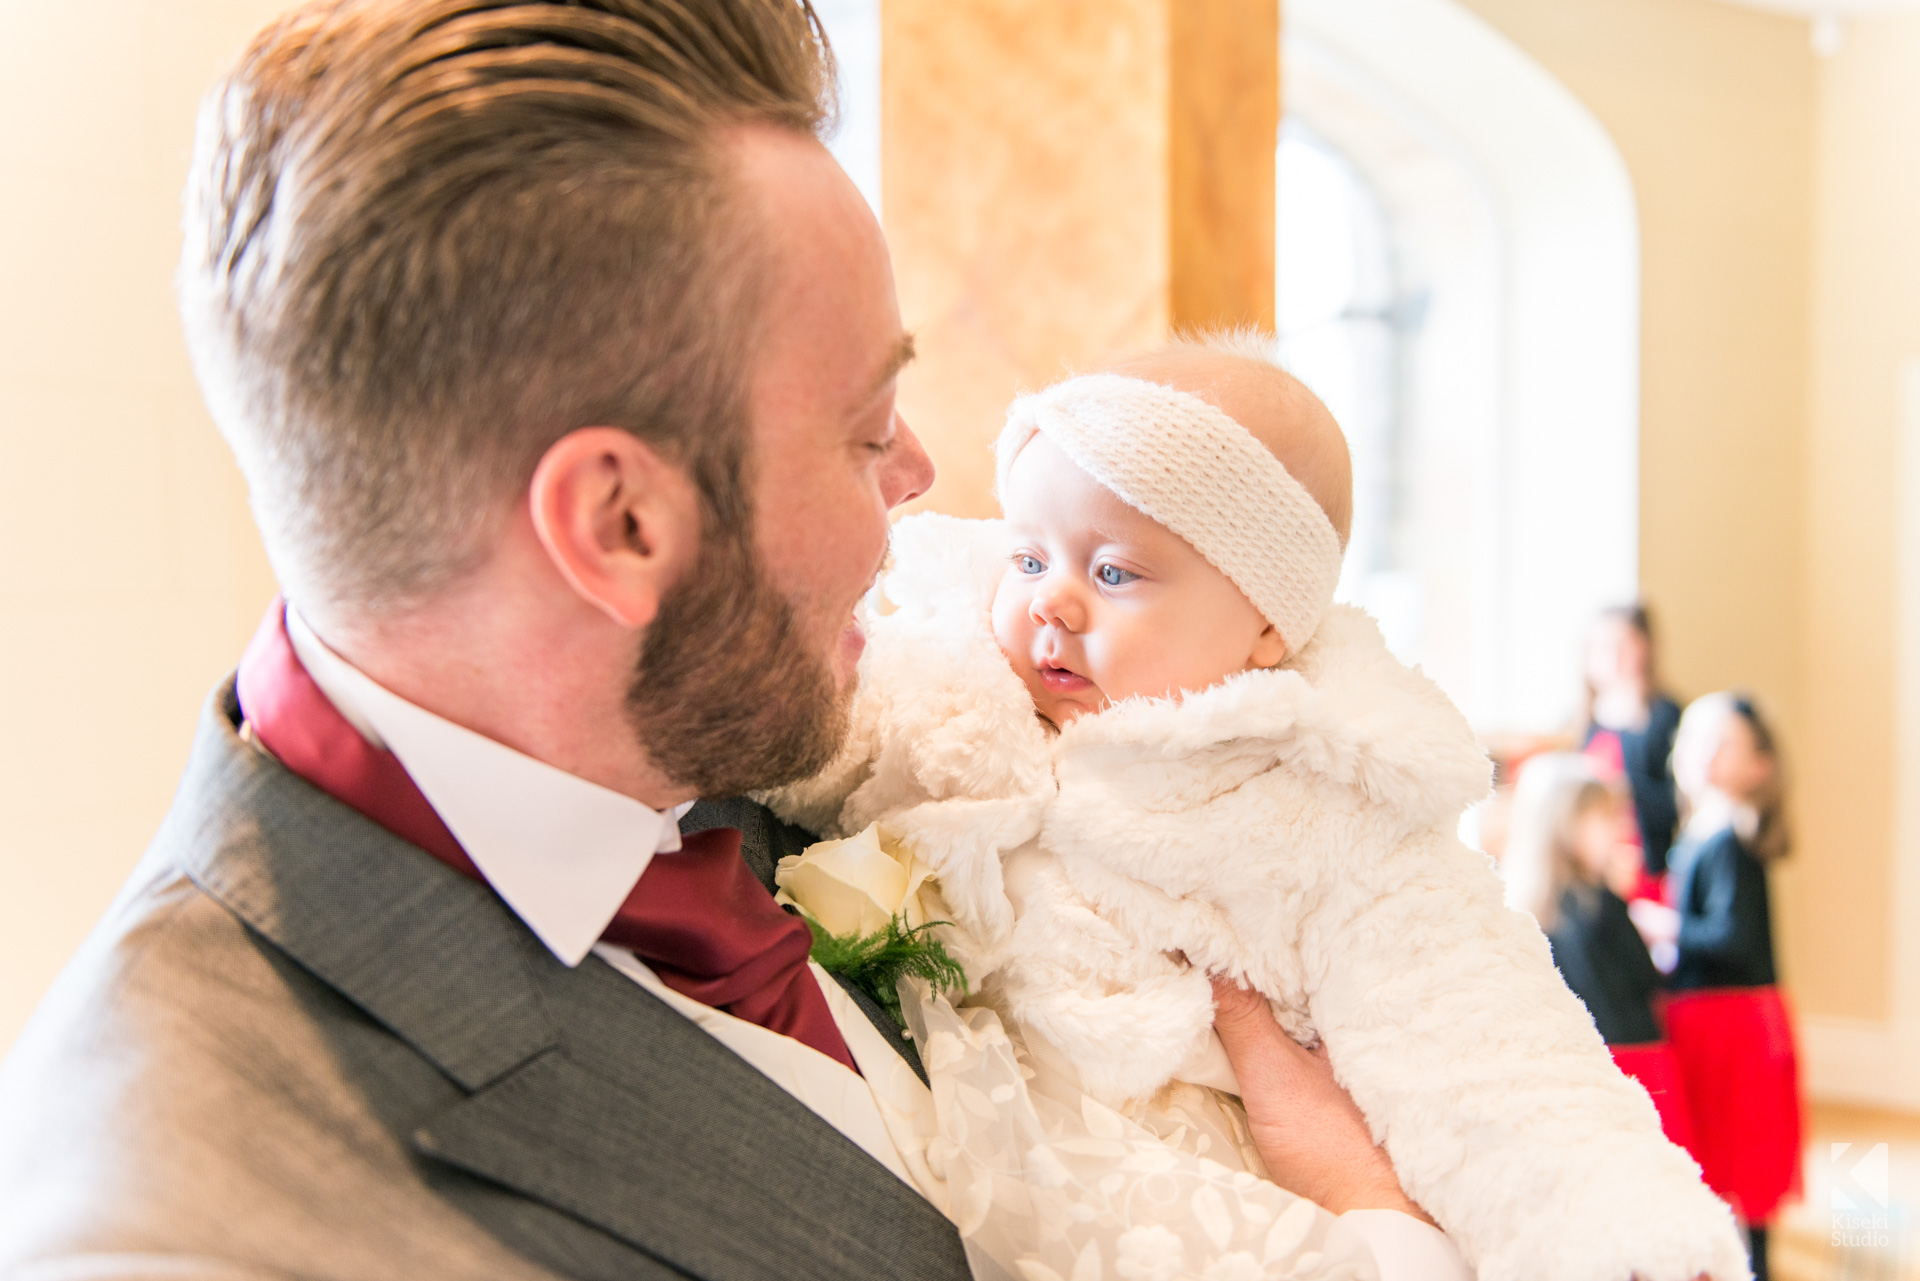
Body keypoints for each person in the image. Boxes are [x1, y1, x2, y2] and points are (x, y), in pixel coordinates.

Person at [0, 4, 1448, 1278]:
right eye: (864, 429)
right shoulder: (186, 1228)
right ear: (620, 524)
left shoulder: (740, 722)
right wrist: (1380, 1239)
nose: (922, 476)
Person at [764, 337, 1749, 1281]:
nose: (1050, 604)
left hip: (1212, 1183)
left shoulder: (1323, 800)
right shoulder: (953, 684)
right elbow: (806, 738)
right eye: (1029, 559)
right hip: (947, 1139)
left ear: (1267, 624)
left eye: (1112, 572)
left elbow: (1485, 1034)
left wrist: (1617, 1234)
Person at [1656, 692, 1804, 1281]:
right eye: (1697, 739)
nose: (1704, 755)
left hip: (1730, 1020)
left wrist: (1668, 929)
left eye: (1723, 744)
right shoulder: (1703, 832)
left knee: (1738, 1152)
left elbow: (1733, 937)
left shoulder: (1730, 841)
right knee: (1726, 1152)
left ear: (1757, 767)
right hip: (1716, 1015)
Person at [1500, 753, 1696, 1150]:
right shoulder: (1600, 904)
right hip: (1634, 1059)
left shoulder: (1535, 912)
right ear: (1567, 826)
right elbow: (1644, 979)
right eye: (1607, 819)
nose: (1620, 831)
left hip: (1577, 1063)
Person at [1583, 604, 1685, 892]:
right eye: (1603, 648)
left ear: (1645, 649)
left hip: (1650, 863)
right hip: (1599, 863)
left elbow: (1671, 801)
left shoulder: (1664, 716)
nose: (1613, 658)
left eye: (1623, 646)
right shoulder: (1585, 721)